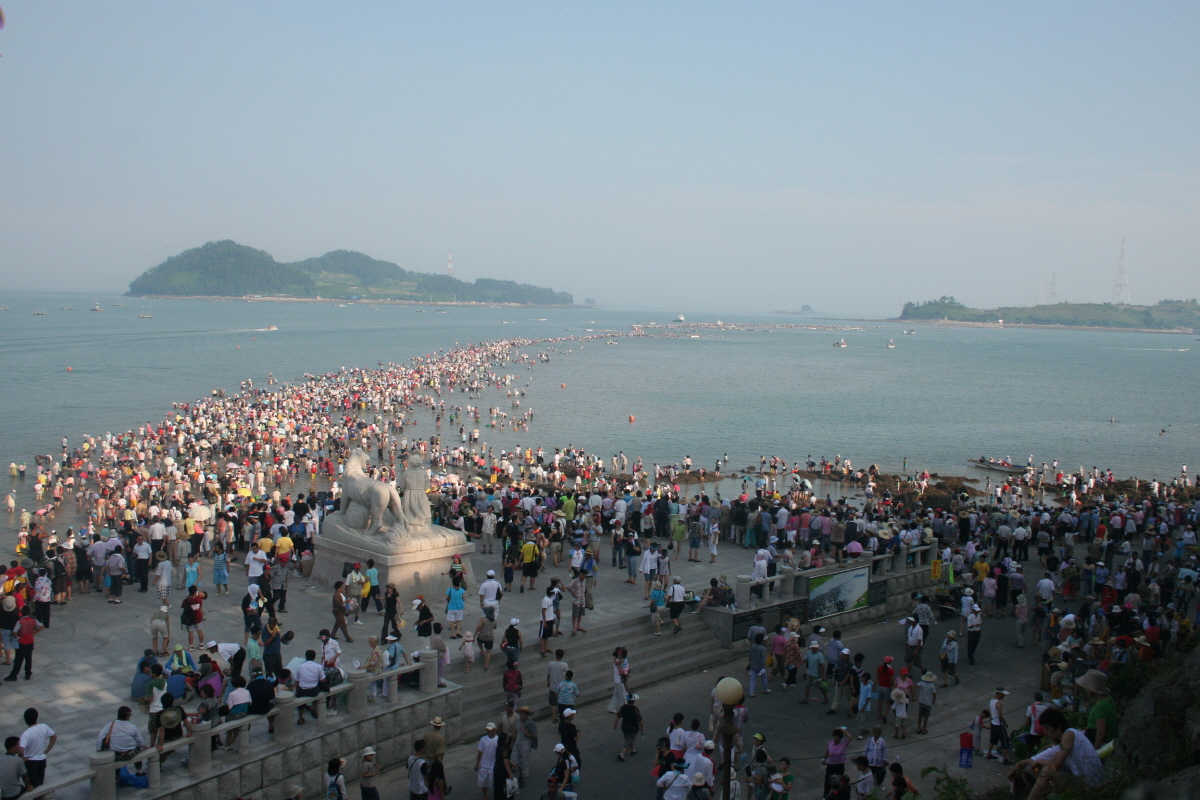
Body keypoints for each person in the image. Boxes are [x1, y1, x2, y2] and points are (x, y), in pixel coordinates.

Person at [1008, 707, 1103, 800]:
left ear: (1058, 728)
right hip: (1085, 782)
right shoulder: (1063, 744)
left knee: (1047, 771)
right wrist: (1020, 766)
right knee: (1046, 770)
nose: (1045, 732)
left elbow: (1056, 765)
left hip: (1088, 785)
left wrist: (1040, 762)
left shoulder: (1069, 734)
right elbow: (1040, 758)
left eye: (1047, 728)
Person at [16, 710, 54, 788]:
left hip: (31, 762)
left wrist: (22, 759)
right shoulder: (44, 726)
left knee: (35, 786)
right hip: (42, 759)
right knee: (40, 783)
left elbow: (20, 751)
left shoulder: (26, 734)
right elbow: (54, 736)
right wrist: (47, 750)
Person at [5, 609, 42, 682]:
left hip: (22, 642)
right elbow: (41, 626)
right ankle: (28, 674)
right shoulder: (33, 620)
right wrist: (34, 633)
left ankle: (14, 675)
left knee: (18, 659)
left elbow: (15, 631)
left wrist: (17, 638)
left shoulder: (20, 622)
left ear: (21, 613)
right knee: (28, 658)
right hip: (30, 641)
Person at [512, 706, 538, 788]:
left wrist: (525, 732)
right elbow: (515, 732)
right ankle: (520, 768)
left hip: (525, 742)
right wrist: (512, 742)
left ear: (527, 715)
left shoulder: (531, 723)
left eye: (523, 714)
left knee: (525, 760)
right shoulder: (517, 721)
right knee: (513, 759)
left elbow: (534, 736)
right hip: (517, 741)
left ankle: (524, 777)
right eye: (521, 713)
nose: (522, 715)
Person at [987, 688, 1014, 764]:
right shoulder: (999, 704)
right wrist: (1005, 724)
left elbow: (991, 714)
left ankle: (989, 753)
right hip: (999, 725)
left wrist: (990, 722)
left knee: (992, 739)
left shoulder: (991, 701)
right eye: (1003, 694)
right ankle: (1005, 759)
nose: (1004, 696)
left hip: (993, 723)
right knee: (1005, 741)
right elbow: (1000, 716)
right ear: (999, 694)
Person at [615, 692, 643, 761]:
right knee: (630, 740)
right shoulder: (635, 709)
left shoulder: (623, 707)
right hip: (633, 727)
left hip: (624, 726)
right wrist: (641, 727)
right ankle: (621, 754)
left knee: (628, 738)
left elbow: (618, 717)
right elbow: (639, 719)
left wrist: (615, 724)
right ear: (633, 701)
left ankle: (633, 750)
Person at [475, 723, 500, 800]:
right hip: (484, 765)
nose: (488, 732)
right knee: (483, 782)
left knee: (493, 782)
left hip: (493, 765)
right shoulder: (483, 739)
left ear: (494, 730)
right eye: (487, 730)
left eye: (490, 730)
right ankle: (485, 795)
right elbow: (480, 752)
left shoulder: (498, 739)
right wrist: (477, 764)